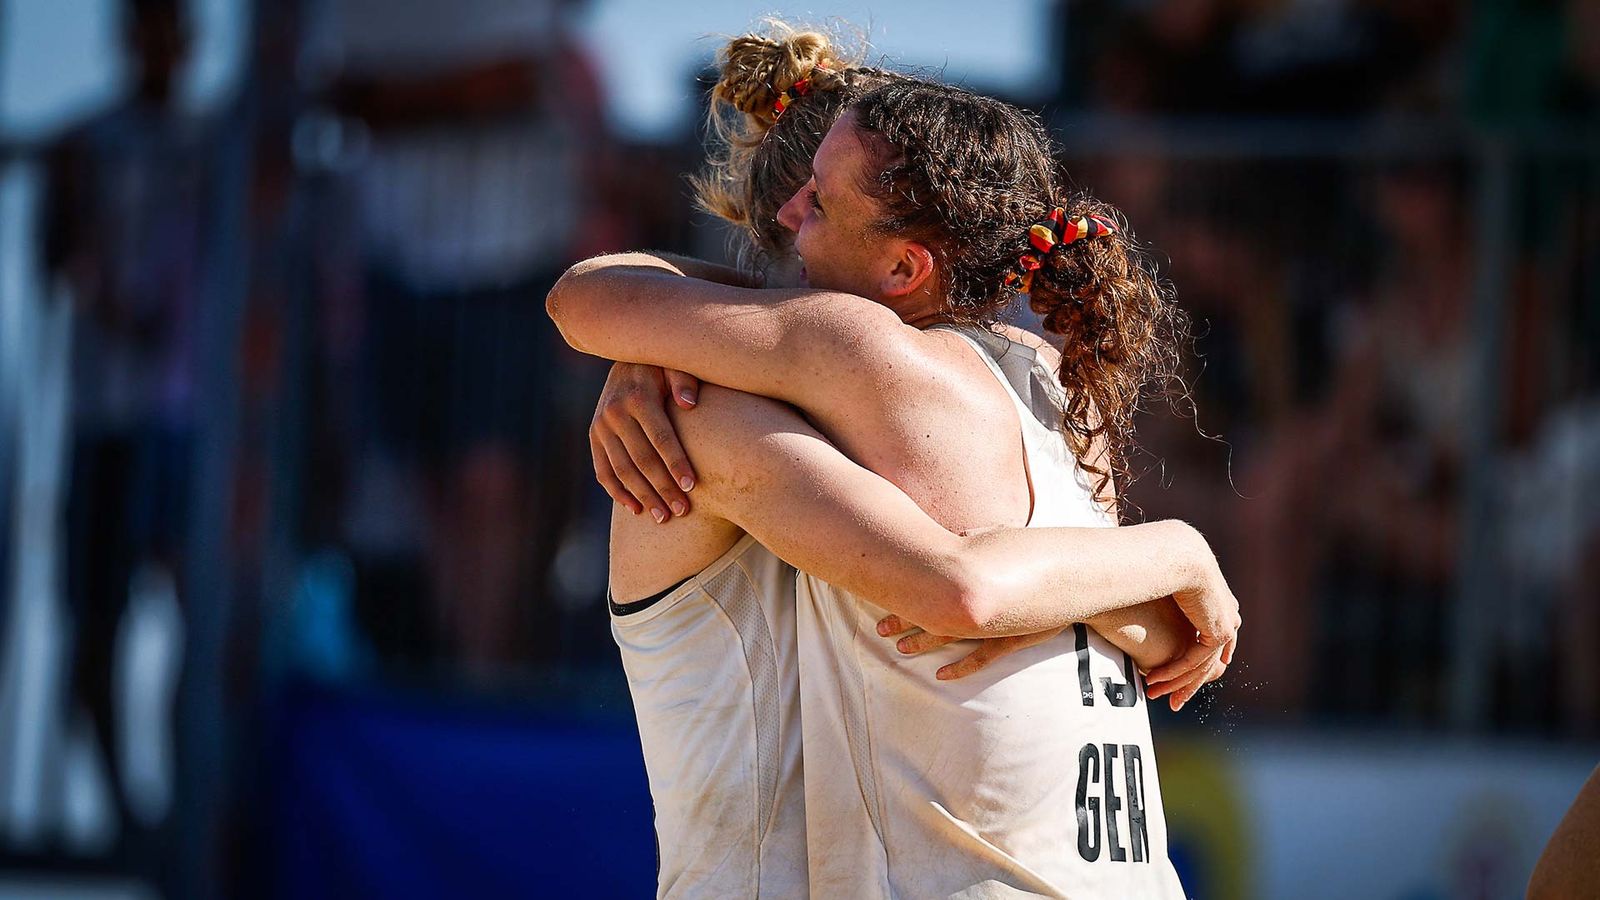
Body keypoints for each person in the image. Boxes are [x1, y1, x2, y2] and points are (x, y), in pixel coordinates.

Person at [548, 27, 1235, 898]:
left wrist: (652, 347)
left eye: (822, 203)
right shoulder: (1059, 390)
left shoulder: (736, 398)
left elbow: (964, 588)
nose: (800, 214)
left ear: (903, 267)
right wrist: (1175, 555)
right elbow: (1152, 629)